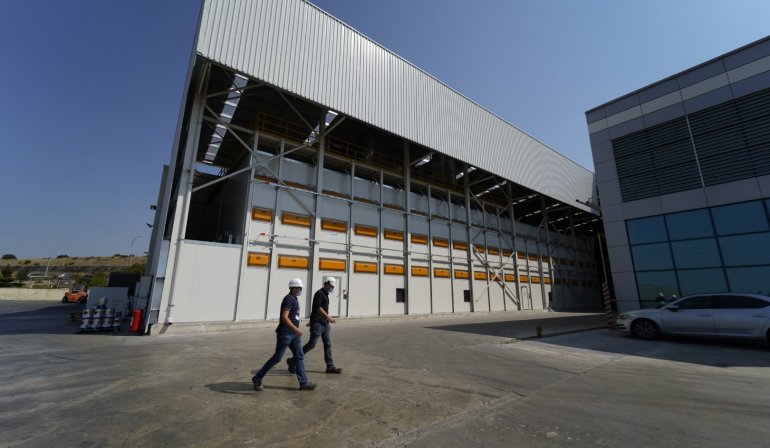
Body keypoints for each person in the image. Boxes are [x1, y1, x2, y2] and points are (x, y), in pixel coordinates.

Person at [252, 278, 316, 391]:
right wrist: (295, 329)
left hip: (294, 334)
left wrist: (296, 329)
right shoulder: (288, 299)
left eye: (300, 288)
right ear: (292, 288)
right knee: (277, 358)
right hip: (286, 333)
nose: (300, 290)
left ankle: (303, 383)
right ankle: (257, 378)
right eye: (298, 288)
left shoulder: (294, 299)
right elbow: (284, 317)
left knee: (299, 356)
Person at [287, 276, 343, 375]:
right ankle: (293, 361)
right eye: (330, 286)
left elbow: (321, 309)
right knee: (312, 344)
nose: (332, 288)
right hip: (318, 324)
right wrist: (328, 317)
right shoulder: (319, 293)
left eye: (333, 287)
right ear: (326, 283)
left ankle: (330, 366)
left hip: (324, 323)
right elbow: (318, 308)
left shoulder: (326, 294)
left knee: (328, 345)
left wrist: (318, 319)